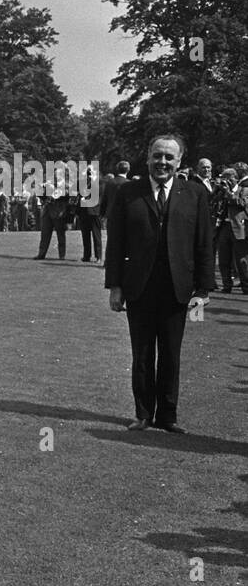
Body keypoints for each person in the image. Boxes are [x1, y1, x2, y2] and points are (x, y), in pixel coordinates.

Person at [105, 134, 215, 434]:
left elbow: (204, 243)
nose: (162, 162)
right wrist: (114, 286)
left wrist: (203, 290)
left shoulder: (193, 194)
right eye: (157, 156)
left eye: (169, 157)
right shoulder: (129, 192)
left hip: (177, 290)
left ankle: (168, 416)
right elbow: (115, 243)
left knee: (171, 354)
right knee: (141, 355)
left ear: (179, 161)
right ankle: (143, 414)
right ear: (148, 157)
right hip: (138, 288)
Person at [33, 187, 69, 259]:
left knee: (60, 234)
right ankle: (41, 254)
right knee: (44, 234)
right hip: (47, 211)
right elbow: (41, 196)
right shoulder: (47, 183)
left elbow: (67, 194)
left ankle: (62, 255)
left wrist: (55, 195)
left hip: (58, 211)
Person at [78, 168, 103, 262]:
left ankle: (98, 256)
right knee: (85, 235)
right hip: (84, 211)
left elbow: (100, 196)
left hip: (94, 211)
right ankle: (86, 255)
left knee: (96, 235)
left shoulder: (100, 183)